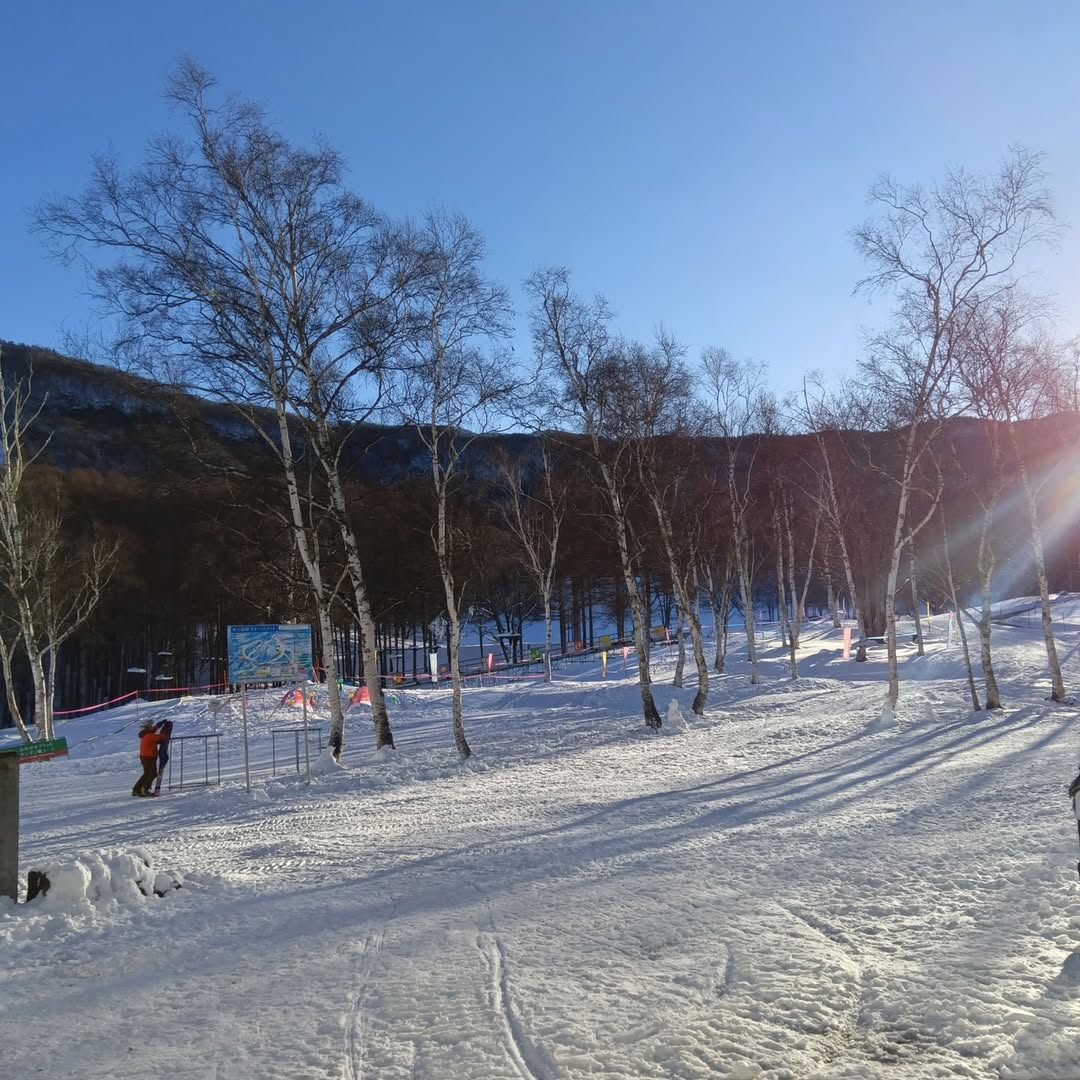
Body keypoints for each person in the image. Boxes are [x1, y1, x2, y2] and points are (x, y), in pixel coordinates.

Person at [132, 721, 164, 797]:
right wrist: (166, 729)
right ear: (149, 727)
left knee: (147, 773)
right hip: (149, 757)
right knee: (153, 774)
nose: (152, 727)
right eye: (151, 726)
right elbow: (162, 737)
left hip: (145, 756)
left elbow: (152, 731)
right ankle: (144, 789)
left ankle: (137, 789)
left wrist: (158, 726)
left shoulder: (145, 734)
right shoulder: (150, 736)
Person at [152, 718, 174, 795]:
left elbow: (155, 732)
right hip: (159, 752)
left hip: (161, 751)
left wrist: (159, 725)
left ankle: (156, 790)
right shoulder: (149, 733)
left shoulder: (163, 732)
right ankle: (155, 790)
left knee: (157, 770)